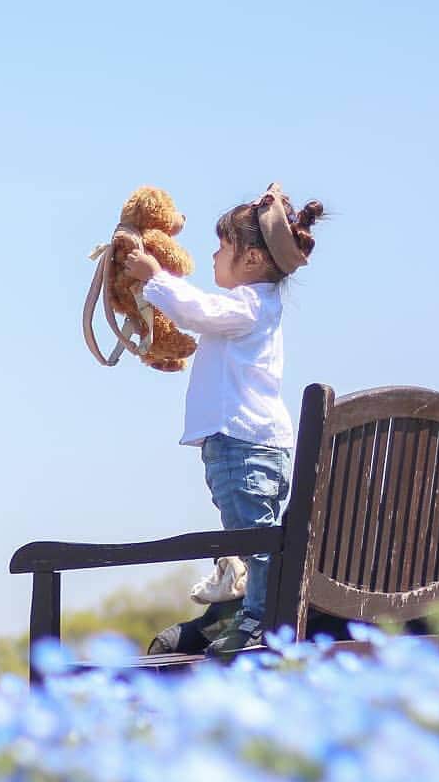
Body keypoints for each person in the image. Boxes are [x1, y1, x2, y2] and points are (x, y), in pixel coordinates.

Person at [122, 182, 324, 655]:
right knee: (252, 532)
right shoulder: (257, 308)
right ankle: (249, 608)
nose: (213, 256)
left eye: (222, 247)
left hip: (242, 442)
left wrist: (156, 278)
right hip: (253, 442)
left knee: (255, 538)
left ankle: (258, 621)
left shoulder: (248, 306)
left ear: (252, 259)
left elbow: (199, 310)